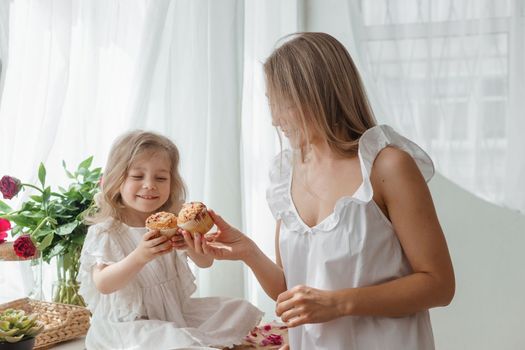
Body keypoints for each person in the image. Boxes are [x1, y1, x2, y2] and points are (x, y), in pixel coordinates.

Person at [195, 32, 455, 350]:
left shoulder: (386, 166)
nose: (276, 119)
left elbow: (439, 285)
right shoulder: (286, 175)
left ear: (319, 96)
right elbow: (292, 293)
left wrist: (338, 304)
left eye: (283, 104)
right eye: (270, 104)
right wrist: (247, 250)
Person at [78, 130, 263, 350]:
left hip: (174, 313)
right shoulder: (108, 231)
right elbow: (103, 284)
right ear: (117, 180)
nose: (150, 185)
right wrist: (139, 256)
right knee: (168, 337)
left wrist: (193, 246)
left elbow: (206, 263)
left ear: (172, 182)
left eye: (161, 178)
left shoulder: (175, 223)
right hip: (128, 325)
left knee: (235, 308)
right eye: (138, 176)